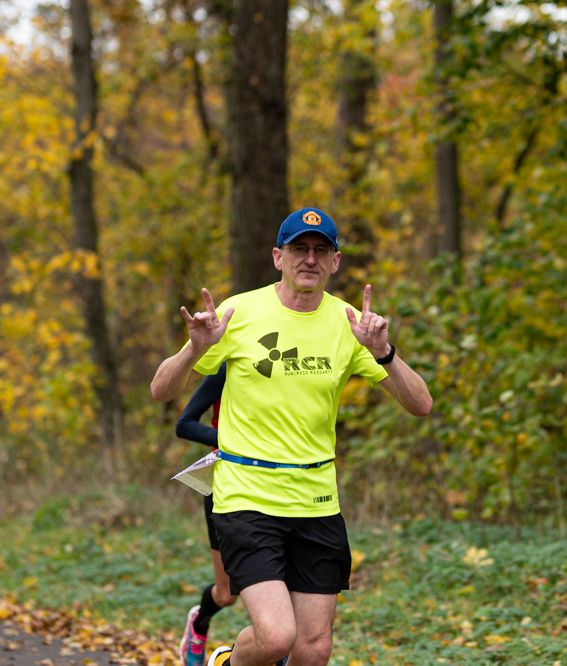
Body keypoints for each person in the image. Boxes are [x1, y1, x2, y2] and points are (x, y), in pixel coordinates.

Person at [150, 207, 433, 666]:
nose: (310, 259)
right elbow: (161, 390)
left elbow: (421, 404)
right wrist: (195, 349)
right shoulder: (240, 312)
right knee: (277, 637)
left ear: (335, 262)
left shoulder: (349, 323)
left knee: (313, 649)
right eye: (300, 248)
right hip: (247, 496)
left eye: (322, 250)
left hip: (316, 501)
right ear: (278, 257)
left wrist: (384, 352)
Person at [174, 362, 236, 666]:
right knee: (227, 594)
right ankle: (198, 626)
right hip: (223, 483)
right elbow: (184, 423)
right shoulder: (227, 367)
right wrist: (234, 441)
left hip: (277, 488)